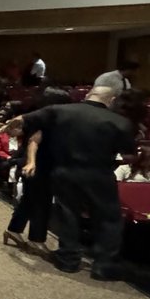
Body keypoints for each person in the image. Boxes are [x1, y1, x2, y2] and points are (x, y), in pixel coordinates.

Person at [21, 86, 135, 279]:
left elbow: (27, 120)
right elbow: (128, 153)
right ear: (112, 99)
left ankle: (68, 260)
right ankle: (103, 265)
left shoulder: (61, 111)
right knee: (108, 219)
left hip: (65, 171)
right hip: (99, 173)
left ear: (88, 95)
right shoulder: (120, 121)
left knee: (68, 214)